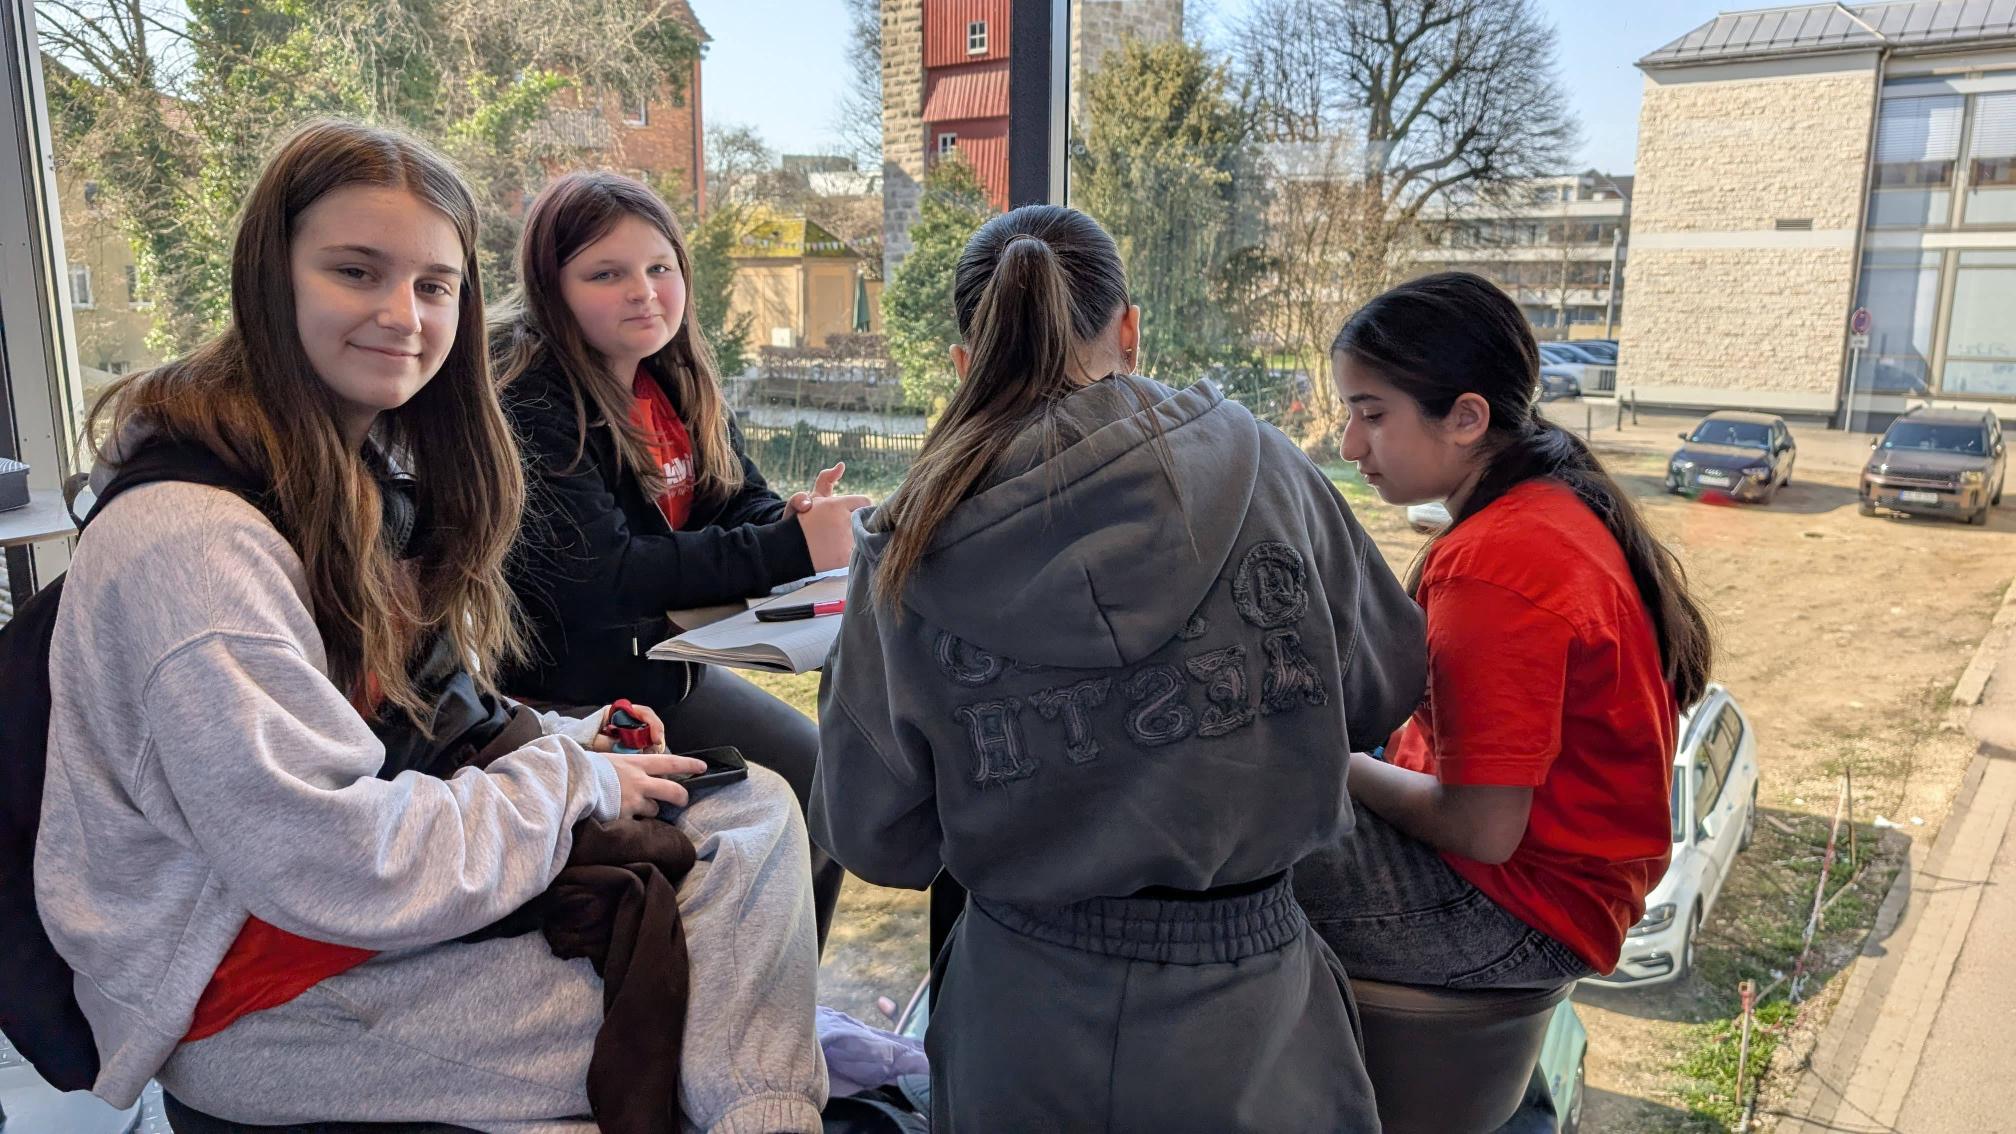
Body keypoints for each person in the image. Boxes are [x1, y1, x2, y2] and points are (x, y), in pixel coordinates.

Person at [35, 120, 825, 1133]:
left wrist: (570, 747)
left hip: (343, 929)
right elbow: (334, 863)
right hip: (261, 998)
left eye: (433, 285)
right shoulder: (192, 548)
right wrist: (567, 779)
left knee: (750, 808)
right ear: (268, 277)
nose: (402, 315)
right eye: (355, 271)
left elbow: (400, 721)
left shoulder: (349, 476)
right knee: (713, 986)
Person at [811, 204, 1426, 1132]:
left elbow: (874, 836)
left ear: (968, 361)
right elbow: (1381, 688)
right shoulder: (1268, 467)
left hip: (1020, 1021)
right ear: (1129, 329)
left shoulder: (907, 541)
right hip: (1255, 1025)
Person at [1294, 271, 1714, 991]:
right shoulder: (1547, 507)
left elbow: (1482, 829)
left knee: (1215, 845)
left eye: (1372, 414)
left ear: (1467, 418)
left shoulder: (1497, 564)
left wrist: (1331, 761)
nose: (1351, 443)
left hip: (1517, 911)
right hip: (1546, 888)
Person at [493, 171, 861, 940]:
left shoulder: (672, 376)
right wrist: (790, 546)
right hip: (575, 699)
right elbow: (608, 576)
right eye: (606, 274)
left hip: (666, 671)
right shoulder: (531, 397)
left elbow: (733, 498)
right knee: (780, 811)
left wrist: (792, 517)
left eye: (659, 267)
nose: (644, 292)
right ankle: (744, 993)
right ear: (551, 290)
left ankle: (792, 991)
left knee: (829, 781)